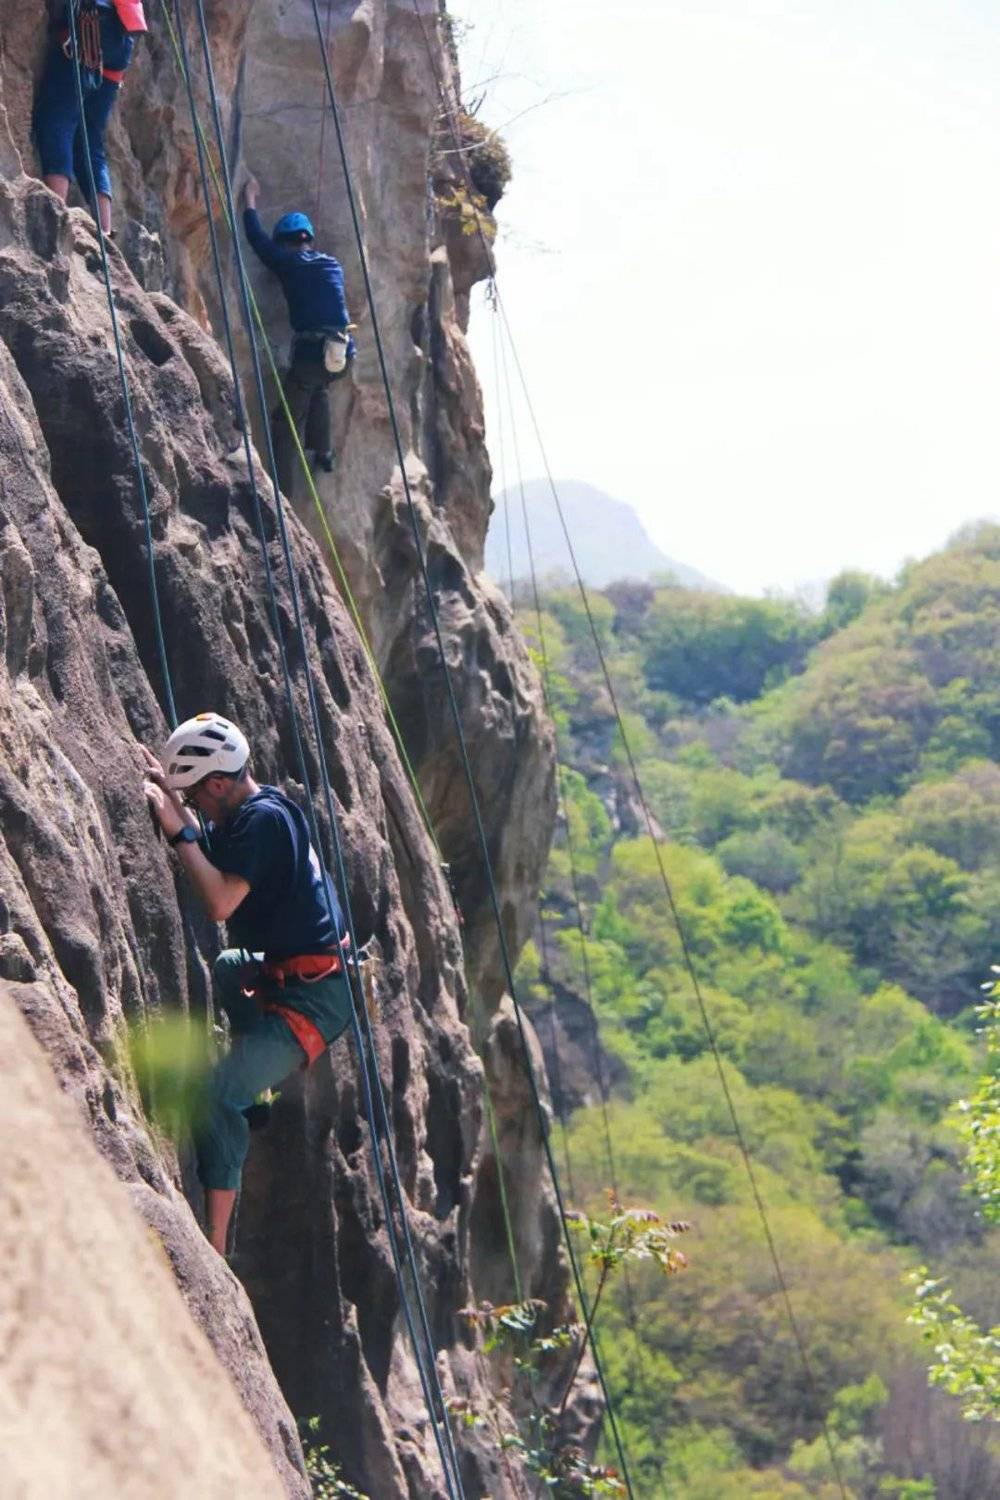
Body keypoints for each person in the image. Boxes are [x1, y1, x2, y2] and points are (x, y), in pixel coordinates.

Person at [141, 712, 353, 1255]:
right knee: (231, 966)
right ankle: (255, 1085)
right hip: (292, 970)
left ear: (218, 783)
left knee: (216, 1096)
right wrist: (178, 801)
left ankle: (216, 1240)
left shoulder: (260, 822)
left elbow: (219, 903)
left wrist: (179, 831)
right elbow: (214, 846)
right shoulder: (257, 812)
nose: (198, 808)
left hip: (315, 996)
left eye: (198, 796)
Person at [242, 175, 355, 497]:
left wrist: (250, 198)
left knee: (284, 423)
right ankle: (324, 452)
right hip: (343, 353)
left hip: (311, 354)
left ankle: (282, 497)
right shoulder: (332, 265)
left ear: (285, 242)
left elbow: (256, 238)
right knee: (321, 385)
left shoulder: (286, 262)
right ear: (309, 240)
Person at [34, 0, 148, 236]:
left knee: (58, 116)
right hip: (122, 33)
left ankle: (55, 212)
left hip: (92, 20)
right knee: (90, 136)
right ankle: (105, 230)